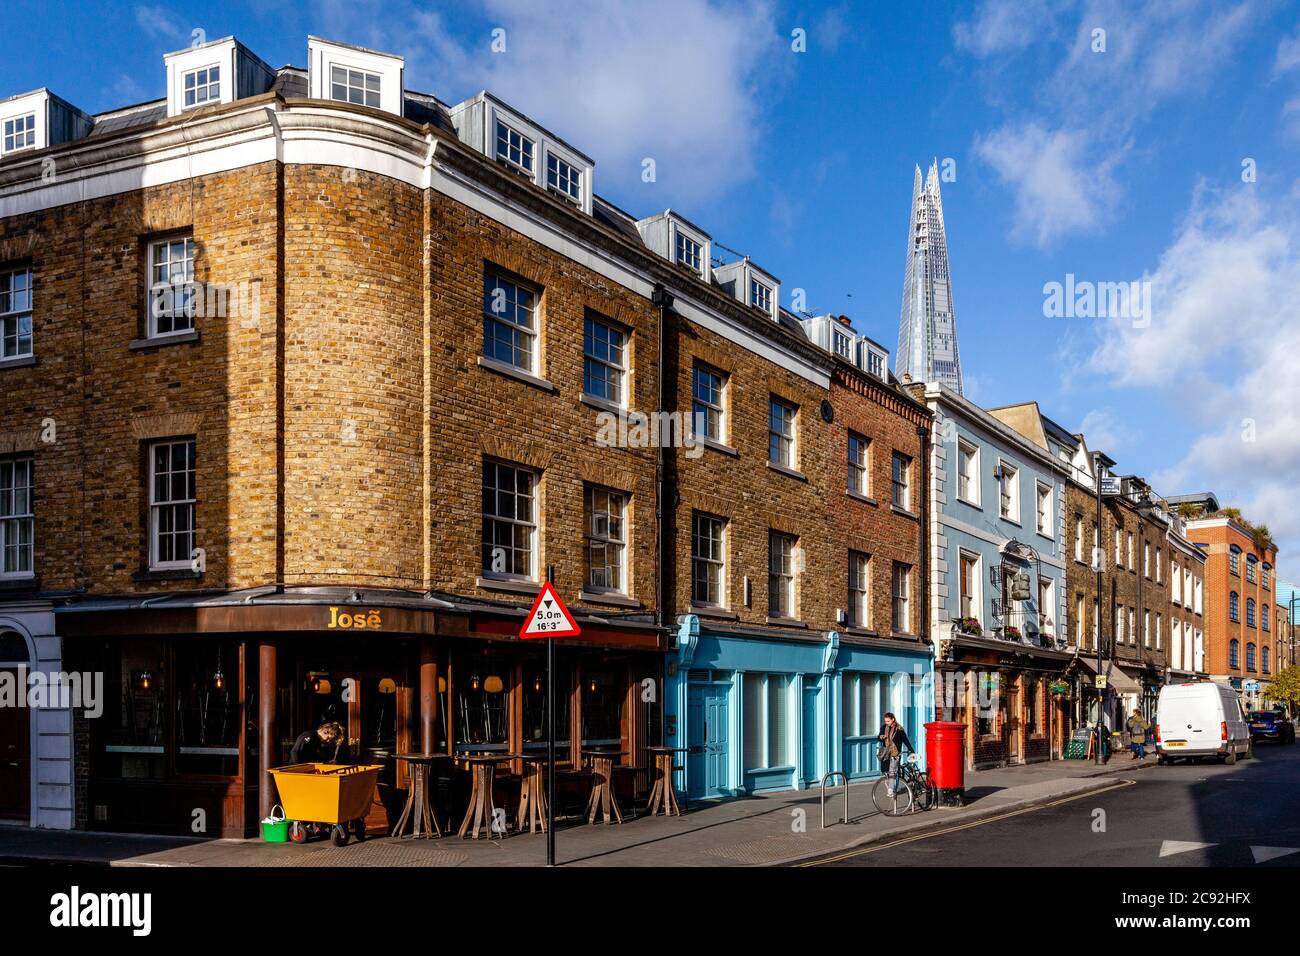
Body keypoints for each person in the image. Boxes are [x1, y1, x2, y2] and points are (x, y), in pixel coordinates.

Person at [877, 712, 913, 792]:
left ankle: (891, 789)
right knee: (885, 771)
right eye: (885, 721)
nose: (886, 723)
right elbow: (879, 737)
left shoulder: (899, 729)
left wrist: (911, 750)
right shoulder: (883, 727)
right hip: (886, 754)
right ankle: (893, 785)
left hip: (895, 753)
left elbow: (905, 740)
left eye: (888, 721)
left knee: (892, 771)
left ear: (893, 719)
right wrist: (881, 737)